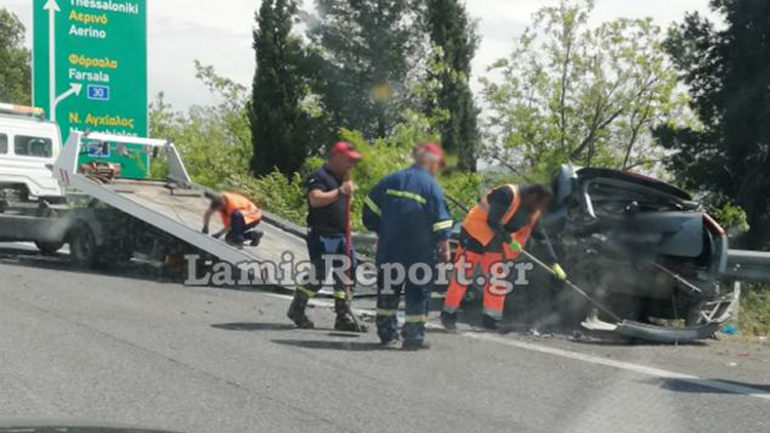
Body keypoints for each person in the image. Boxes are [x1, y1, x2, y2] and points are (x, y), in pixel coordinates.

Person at [363, 143, 454, 350]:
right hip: (418, 253)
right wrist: (445, 249)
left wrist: (381, 229)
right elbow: (441, 223)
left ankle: (386, 335)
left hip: (390, 249)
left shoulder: (391, 179)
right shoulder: (432, 187)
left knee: (388, 290)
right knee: (418, 293)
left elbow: (369, 208)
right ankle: (413, 338)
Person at [441, 184, 564, 331]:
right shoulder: (507, 193)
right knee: (462, 276)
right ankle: (448, 314)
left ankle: (491, 319)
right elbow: (492, 221)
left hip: (494, 240)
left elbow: (541, 237)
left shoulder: (532, 209)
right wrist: (509, 240)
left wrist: (554, 262)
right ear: (533, 197)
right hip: (474, 233)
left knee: (497, 279)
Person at [286, 141, 365, 332]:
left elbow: (347, 203)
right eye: (348, 161)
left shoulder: (343, 179)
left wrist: (347, 191)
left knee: (347, 272)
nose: (351, 165)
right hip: (322, 234)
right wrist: (340, 192)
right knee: (319, 273)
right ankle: (297, 308)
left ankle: (343, 316)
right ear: (337, 158)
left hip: (342, 234)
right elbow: (315, 200)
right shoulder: (319, 176)